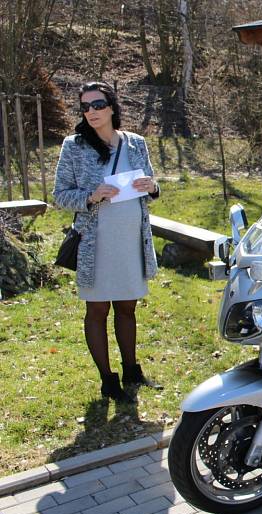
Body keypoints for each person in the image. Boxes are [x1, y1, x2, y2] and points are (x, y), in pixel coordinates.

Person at [53, 81, 162, 403]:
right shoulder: (74, 146)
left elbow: (152, 186)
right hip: (95, 244)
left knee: (127, 307)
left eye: (97, 104)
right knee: (98, 309)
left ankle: (132, 370)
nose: (91, 112)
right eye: (85, 107)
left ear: (112, 106)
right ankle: (108, 379)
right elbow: (60, 196)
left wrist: (152, 186)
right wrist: (91, 196)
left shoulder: (135, 143)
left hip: (130, 241)